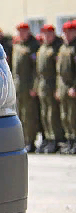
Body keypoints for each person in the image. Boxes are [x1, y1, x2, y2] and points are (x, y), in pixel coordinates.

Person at [12, 22, 41, 153]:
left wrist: (34, 87)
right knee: (19, 115)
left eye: (24, 31)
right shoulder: (17, 46)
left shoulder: (34, 46)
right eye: (19, 31)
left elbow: (36, 69)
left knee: (29, 115)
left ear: (28, 31)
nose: (21, 33)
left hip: (28, 86)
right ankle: (22, 141)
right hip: (18, 86)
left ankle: (31, 141)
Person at [36, 24, 66, 153]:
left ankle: (56, 139)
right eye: (45, 34)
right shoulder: (42, 48)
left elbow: (59, 71)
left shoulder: (57, 48)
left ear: (54, 34)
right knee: (44, 114)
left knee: (53, 114)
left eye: (49, 34)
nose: (47, 36)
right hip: (43, 86)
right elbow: (37, 71)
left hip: (53, 84)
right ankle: (48, 138)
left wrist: (58, 88)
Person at [57, 21, 76, 154]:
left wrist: (74, 87)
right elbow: (59, 72)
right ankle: (69, 141)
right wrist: (58, 88)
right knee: (64, 116)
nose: (67, 34)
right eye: (65, 32)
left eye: (70, 32)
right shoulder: (63, 48)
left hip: (72, 87)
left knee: (72, 116)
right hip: (63, 87)